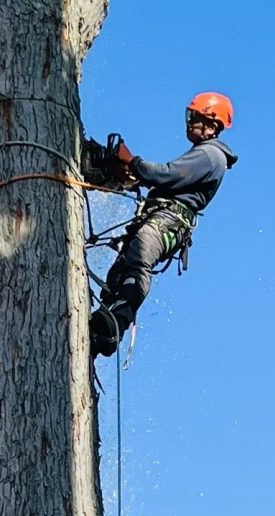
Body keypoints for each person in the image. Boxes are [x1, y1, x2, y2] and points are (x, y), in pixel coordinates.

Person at [85, 92, 236, 356]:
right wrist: (133, 175)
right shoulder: (204, 153)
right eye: (189, 117)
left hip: (167, 221)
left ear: (212, 125)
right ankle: (102, 329)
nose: (189, 123)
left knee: (138, 262)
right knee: (118, 274)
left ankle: (115, 322)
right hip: (160, 217)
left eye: (196, 119)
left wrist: (134, 162)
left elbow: (166, 174)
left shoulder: (211, 155)